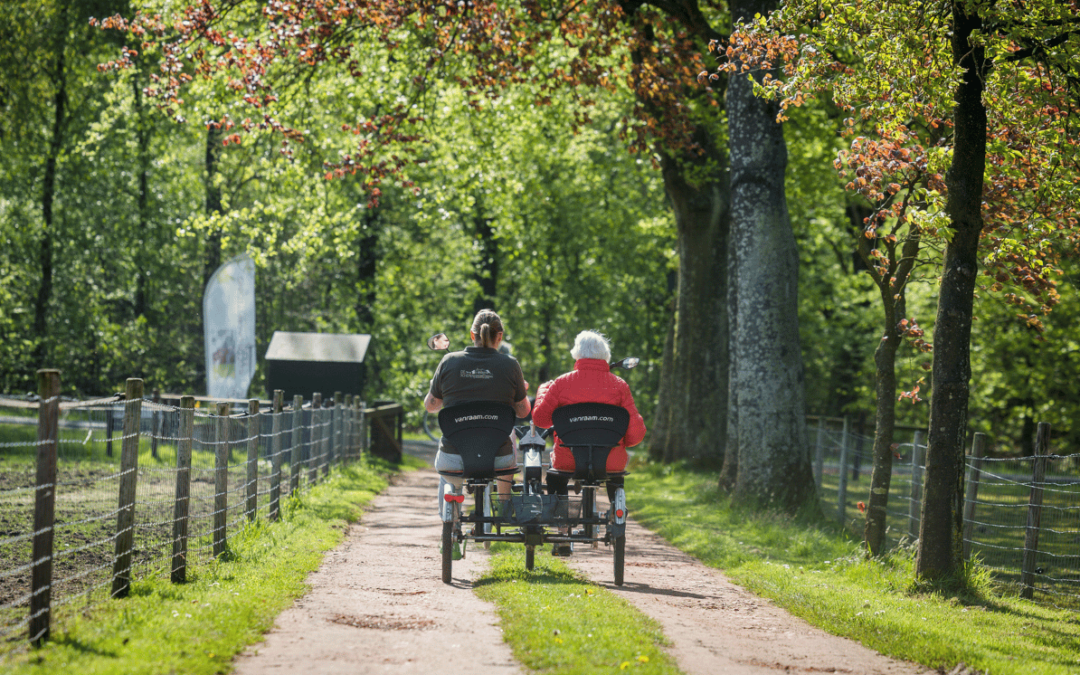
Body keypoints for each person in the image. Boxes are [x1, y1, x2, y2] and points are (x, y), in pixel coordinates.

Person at [530, 330, 646, 555]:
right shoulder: (620, 385)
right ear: (605, 356)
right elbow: (635, 434)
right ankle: (616, 508)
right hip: (609, 461)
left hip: (569, 459)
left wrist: (544, 391)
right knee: (615, 472)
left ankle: (562, 529)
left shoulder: (562, 383)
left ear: (577, 354)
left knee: (555, 476)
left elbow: (540, 419)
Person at [424, 310, 531, 521]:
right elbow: (523, 411)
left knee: (448, 478)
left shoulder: (449, 361)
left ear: (472, 335)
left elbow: (431, 405)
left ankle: (450, 522)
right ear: (499, 336)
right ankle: (504, 505)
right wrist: (520, 392)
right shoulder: (510, 365)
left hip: (453, 456)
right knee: (508, 437)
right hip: (499, 457)